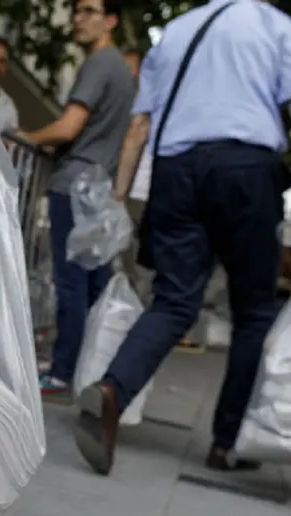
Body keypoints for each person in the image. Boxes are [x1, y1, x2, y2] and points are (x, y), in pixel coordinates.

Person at [74, 0, 289, 476]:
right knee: (253, 308)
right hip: (245, 168)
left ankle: (112, 389)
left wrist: (118, 200)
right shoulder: (275, 27)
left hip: (175, 172)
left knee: (174, 301)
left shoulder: (174, 32)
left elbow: (139, 126)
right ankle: (227, 443)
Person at [19, 0, 134, 397]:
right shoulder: (120, 68)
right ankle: (92, 368)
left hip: (77, 187)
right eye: (76, 11)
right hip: (98, 189)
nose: (77, 19)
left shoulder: (100, 63)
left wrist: (23, 137)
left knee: (71, 284)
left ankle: (64, 371)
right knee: (94, 286)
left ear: (111, 20)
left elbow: (69, 127)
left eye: (89, 10)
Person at [120, 48, 153, 303]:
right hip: (135, 191)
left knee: (136, 261)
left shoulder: (145, 99)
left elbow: (135, 136)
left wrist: (119, 192)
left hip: (140, 191)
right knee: (128, 259)